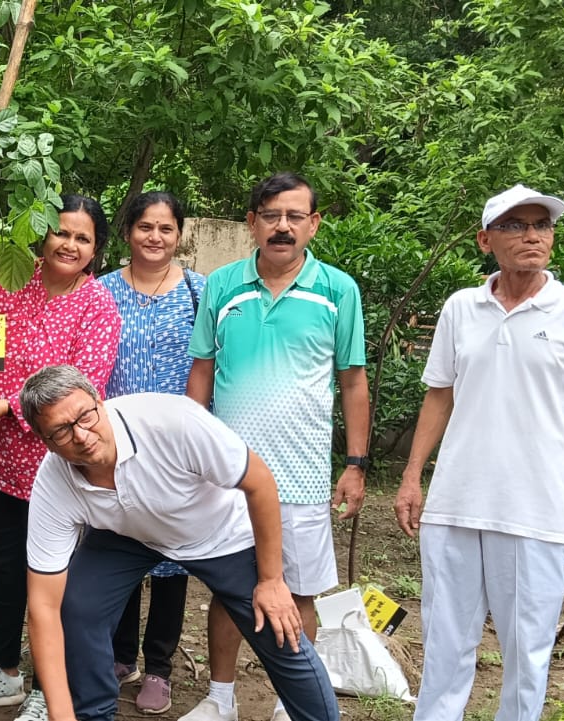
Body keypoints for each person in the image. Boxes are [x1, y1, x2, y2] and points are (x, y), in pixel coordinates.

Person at [395, 184, 564, 721]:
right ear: (486, 240)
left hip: (535, 514)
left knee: (526, 656)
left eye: (541, 226)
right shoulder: (461, 307)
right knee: (444, 646)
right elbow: (439, 394)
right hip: (455, 505)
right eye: (515, 225)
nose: (532, 236)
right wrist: (413, 478)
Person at [20, 365, 341, 721]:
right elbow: (43, 607)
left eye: (85, 416)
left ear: (100, 400)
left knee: (277, 627)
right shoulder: (53, 483)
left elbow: (260, 481)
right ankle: (90, 714)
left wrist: (271, 581)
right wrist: (61, 715)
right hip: (128, 535)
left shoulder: (171, 421)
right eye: (62, 431)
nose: (81, 435)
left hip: (218, 533)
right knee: (76, 606)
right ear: (44, 440)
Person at [183, 172, 369, 721]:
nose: (282, 227)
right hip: (229, 473)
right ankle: (220, 699)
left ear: (313, 223)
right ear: (252, 223)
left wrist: (355, 463)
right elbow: (202, 370)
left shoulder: (337, 291)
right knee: (227, 589)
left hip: (304, 474)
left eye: (294, 216)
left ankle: (294, 705)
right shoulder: (221, 286)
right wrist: (192, 455)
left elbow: (353, 380)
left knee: (301, 592)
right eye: (270, 216)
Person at [0, 195, 122, 721]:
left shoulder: (98, 304)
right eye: (62, 233)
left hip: (60, 469)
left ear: (96, 250)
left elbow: (87, 389)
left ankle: (45, 689)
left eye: (83, 238)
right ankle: (3, 674)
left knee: (55, 580)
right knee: (4, 567)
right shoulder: (10, 277)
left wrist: (10, 405)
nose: (69, 245)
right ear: (42, 234)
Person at [97, 191, 205, 714]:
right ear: (128, 232)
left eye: (165, 228)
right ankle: (120, 656)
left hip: (177, 448)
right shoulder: (101, 291)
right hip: (113, 442)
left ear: (178, 234)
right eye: (145, 226)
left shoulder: (199, 293)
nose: (155, 237)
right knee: (119, 548)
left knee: (170, 559)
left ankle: (159, 667)